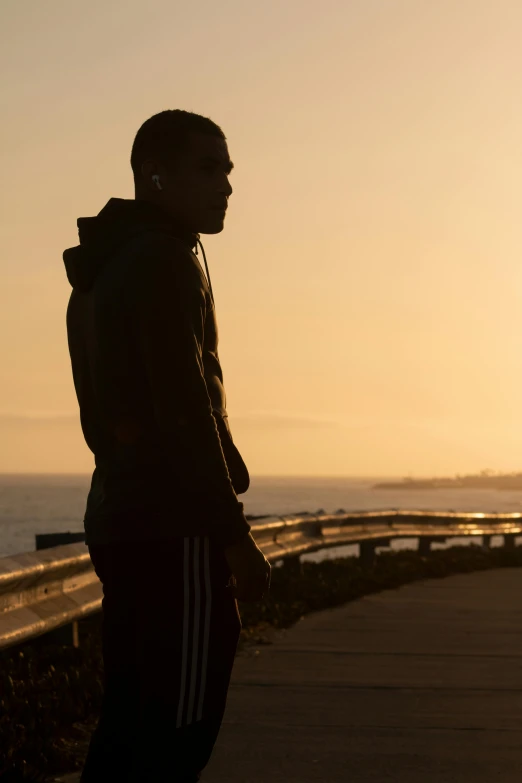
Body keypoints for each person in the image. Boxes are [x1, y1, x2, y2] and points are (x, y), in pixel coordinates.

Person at [63, 109, 271, 782]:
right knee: (175, 731)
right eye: (208, 167)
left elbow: (107, 417)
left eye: (229, 169)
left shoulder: (105, 265)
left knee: (130, 722)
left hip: (124, 518)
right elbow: (186, 411)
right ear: (154, 174)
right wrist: (232, 535)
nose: (227, 185)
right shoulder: (160, 261)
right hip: (173, 527)